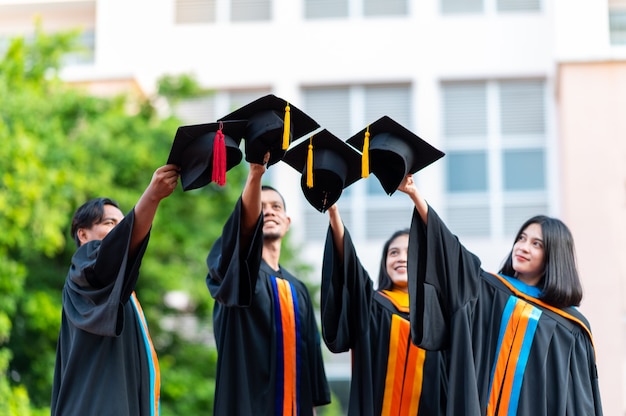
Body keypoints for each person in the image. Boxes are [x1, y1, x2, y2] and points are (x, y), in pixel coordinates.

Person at [402, 174, 603, 415]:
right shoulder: (489, 291)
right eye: (522, 238)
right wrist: (416, 196)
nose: (523, 247)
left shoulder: (569, 329)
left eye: (537, 244)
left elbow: (579, 403)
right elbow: (451, 255)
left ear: (554, 257)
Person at [205, 153, 331, 415]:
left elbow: (311, 362)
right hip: (246, 406)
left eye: (276, 207)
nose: (269, 211)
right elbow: (241, 234)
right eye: (260, 207)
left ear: (287, 223)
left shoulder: (298, 289)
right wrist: (255, 174)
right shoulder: (235, 272)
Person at [51, 164, 179, 416]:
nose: (119, 230)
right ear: (83, 235)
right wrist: (152, 196)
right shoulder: (85, 266)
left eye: (122, 224)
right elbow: (114, 249)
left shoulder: (119, 292)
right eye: (110, 223)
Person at [321, 197, 446, 415]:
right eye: (393, 252)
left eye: (409, 251)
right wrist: (333, 212)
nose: (400, 258)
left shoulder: (438, 317)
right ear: (385, 262)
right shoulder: (372, 306)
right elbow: (350, 269)